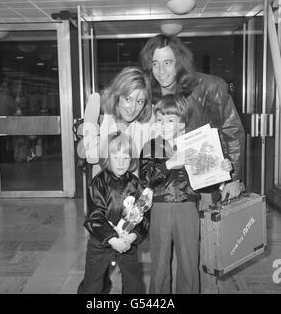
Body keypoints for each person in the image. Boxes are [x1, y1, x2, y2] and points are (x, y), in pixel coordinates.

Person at [140, 94, 232, 294]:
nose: (164, 125)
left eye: (170, 120)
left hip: (188, 206)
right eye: (160, 120)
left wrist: (222, 169)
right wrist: (170, 164)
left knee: (189, 262)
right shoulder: (151, 146)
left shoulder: (194, 145)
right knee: (159, 265)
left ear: (181, 122)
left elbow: (206, 185)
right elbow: (145, 179)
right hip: (159, 208)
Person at [140, 34, 245, 202]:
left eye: (167, 63)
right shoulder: (150, 93)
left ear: (179, 62)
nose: (161, 71)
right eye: (155, 64)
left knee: (206, 226)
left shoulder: (209, 87)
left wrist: (233, 177)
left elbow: (232, 130)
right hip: (165, 188)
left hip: (203, 182)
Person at [78, 132, 150, 294]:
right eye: (115, 157)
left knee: (133, 282)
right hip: (101, 242)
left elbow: (144, 217)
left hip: (127, 241)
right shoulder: (98, 183)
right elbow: (94, 216)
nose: (121, 162)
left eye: (125, 158)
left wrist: (132, 237)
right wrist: (111, 239)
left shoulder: (136, 185)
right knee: (93, 281)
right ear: (107, 158)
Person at [80, 66, 154, 173]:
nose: (133, 109)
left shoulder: (150, 115)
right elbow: (92, 157)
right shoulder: (97, 104)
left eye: (140, 102)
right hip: (104, 185)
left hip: (137, 186)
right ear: (117, 95)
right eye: (128, 99)